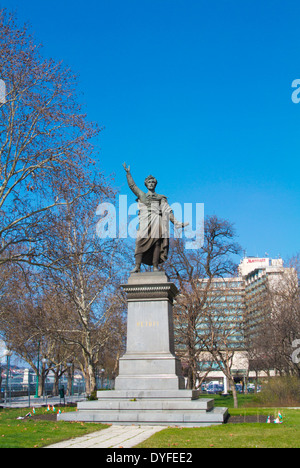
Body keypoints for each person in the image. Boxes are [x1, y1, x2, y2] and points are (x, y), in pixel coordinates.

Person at [123, 163, 188, 273]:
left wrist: (176, 222)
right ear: (146, 184)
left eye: (153, 182)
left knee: (157, 244)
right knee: (139, 241)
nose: (151, 183)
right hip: (144, 221)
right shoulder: (142, 195)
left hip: (157, 221)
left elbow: (167, 210)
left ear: (155, 184)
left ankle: (155, 267)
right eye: (149, 182)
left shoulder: (160, 197)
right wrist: (128, 174)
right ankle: (137, 266)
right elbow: (132, 186)